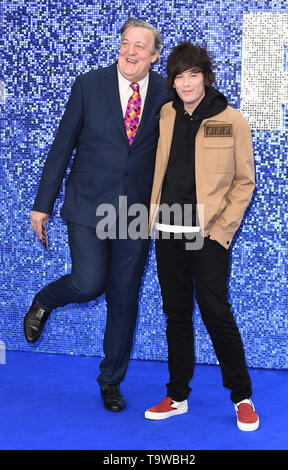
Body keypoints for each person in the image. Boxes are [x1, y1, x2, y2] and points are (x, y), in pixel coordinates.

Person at [24, 18, 172, 412]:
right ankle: (46, 298)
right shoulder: (89, 84)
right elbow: (63, 145)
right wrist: (43, 204)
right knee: (89, 283)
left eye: (141, 46)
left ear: (154, 56)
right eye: (126, 43)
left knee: (124, 297)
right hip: (87, 202)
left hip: (135, 209)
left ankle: (110, 381)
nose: (131, 51)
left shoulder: (165, 93)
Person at [145, 41, 259, 431]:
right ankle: (177, 396)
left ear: (206, 78)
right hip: (167, 230)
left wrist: (220, 232)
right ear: (172, 82)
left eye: (194, 75)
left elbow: (244, 183)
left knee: (215, 312)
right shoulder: (165, 114)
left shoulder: (232, 119)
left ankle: (242, 396)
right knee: (176, 315)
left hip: (207, 235)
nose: (187, 83)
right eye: (179, 76)